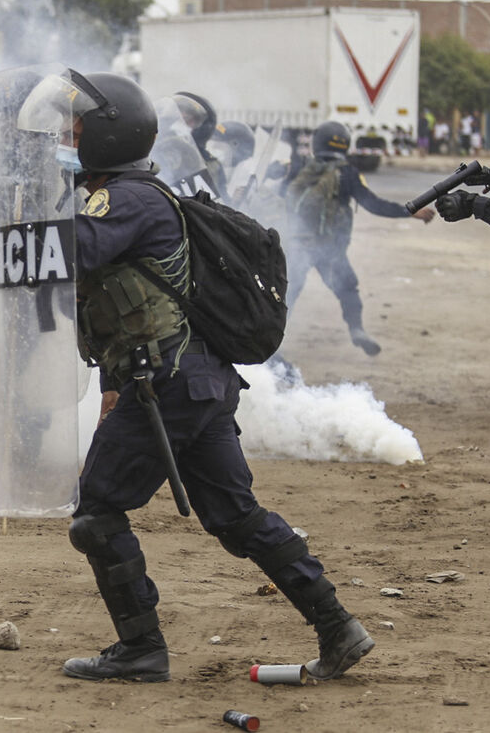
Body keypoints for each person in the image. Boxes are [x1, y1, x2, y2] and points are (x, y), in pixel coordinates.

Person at [38, 70, 376, 684]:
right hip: (199, 383)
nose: (65, 136)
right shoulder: (137, 193)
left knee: (97, 513)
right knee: (238, 517)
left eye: (75, 127)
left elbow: (65, 253)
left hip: (166, 385)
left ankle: (141, 648)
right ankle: (337, 625)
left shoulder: (124, 199)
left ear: (109, 136)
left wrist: (22, 210)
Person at [282, 120, 434, 356]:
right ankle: (357, 330)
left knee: (287, 293)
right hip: (330, 247)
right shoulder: (347, 172)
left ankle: (272, 341)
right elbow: (372, 204)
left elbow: (278, 197)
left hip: (297, 243)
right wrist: (409, 211)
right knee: (347, 289)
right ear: (345, 145)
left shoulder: (300, 168)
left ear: (316, 143)